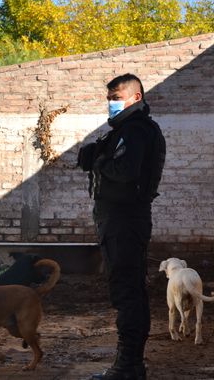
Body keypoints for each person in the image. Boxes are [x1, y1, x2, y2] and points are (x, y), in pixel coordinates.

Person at [77, 73, 166, 380]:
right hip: (121, 221)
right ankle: (130, 365)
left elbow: (126, 171)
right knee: (128, 289)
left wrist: (98, 160)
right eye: (109, 98)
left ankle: (128, 367)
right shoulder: (128, 129)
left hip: (125, 221)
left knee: (127, 291)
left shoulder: (137, 130)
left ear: (135, 97)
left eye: (116, 97)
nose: (111, 103)